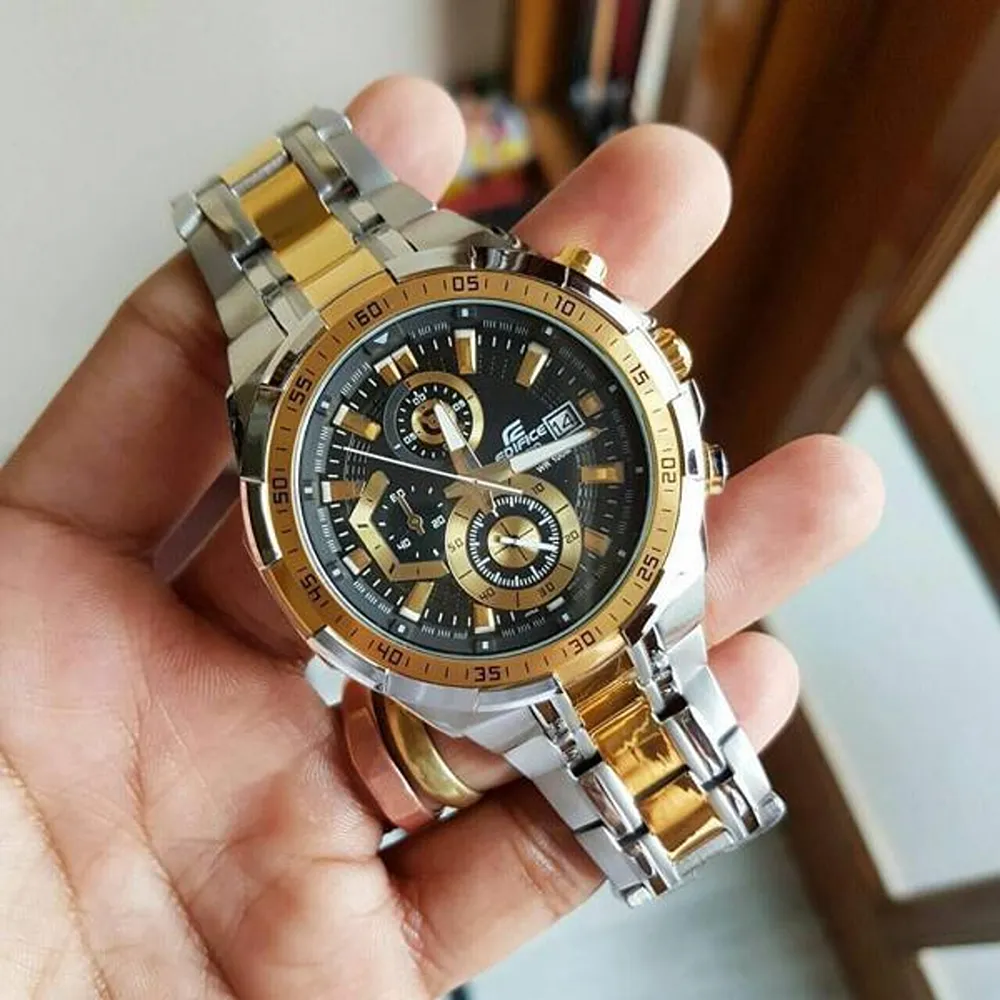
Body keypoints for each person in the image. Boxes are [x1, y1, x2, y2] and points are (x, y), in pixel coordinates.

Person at [0, 76, 883, 998]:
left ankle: (683, 819)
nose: (471, 482)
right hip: (486, 642)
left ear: (674, 412)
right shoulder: (348, 578)